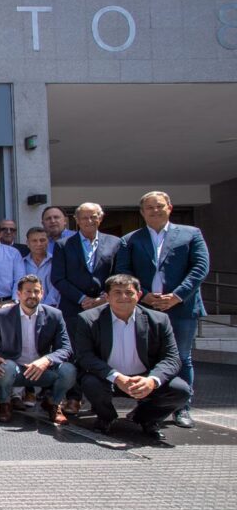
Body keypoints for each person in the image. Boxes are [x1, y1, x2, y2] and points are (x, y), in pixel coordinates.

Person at [116, 190, 209, 430]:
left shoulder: (191, 234)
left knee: (182, 357)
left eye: (159, 206)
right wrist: (144, 294)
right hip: (145, 307)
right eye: (149, 207)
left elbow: (200, 267)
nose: (155, 210)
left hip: (181, 308)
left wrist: (177, 296)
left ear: (169, 207)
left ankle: (182, 408)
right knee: (147, 358)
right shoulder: (130, 240)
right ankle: (147, 406)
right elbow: (123, 270)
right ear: (142, 212)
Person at [73, 274, 190, 443]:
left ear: (139, 295)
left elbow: (172, 358)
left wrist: (152, 381)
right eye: (117, 292)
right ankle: (106, 417)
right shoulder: (88, 319)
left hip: (144, 378)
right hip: (108, 378)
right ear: (107, 297)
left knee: (181, 391)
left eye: (129, 292)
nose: (124, 297)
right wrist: (116, 377)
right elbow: (85, 356)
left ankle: (145, 418)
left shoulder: (159, 320)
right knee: (90, 383)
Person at [51, 202, 121, 414]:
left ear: (101, 218)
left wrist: (103, 298)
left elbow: (119, 274)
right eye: (84, 217)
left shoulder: (115, 243)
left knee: (103, 353)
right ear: (76, 220)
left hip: (105, 308)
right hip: (74, 308)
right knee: (75, 354)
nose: (89, 221)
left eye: (93, 216)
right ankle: (74, 398)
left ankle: (101, 400)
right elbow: (58, 278)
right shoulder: (63, 245)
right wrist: (82, 298)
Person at [0, 275, 76, 425]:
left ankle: (53, 404)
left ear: (42, 293)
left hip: (42, 369)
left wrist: (47, 360)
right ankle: (5, 403)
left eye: (36, 291)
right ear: (19, 294)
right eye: (28, 291)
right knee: (6, 367)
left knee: (69, 370)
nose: (33, 295)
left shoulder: (54, 315)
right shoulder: (3, 315)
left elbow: (66, 348)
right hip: (14, 369)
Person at [23, 227, 59, 307]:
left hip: (52, 308)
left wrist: (45, 307)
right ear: (27, 243)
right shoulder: (22, 264)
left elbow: (56, 287)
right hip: (28, 308)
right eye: (34, 241)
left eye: (42, 240)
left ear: (48, 242)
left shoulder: (56, 262)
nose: (39, 244)